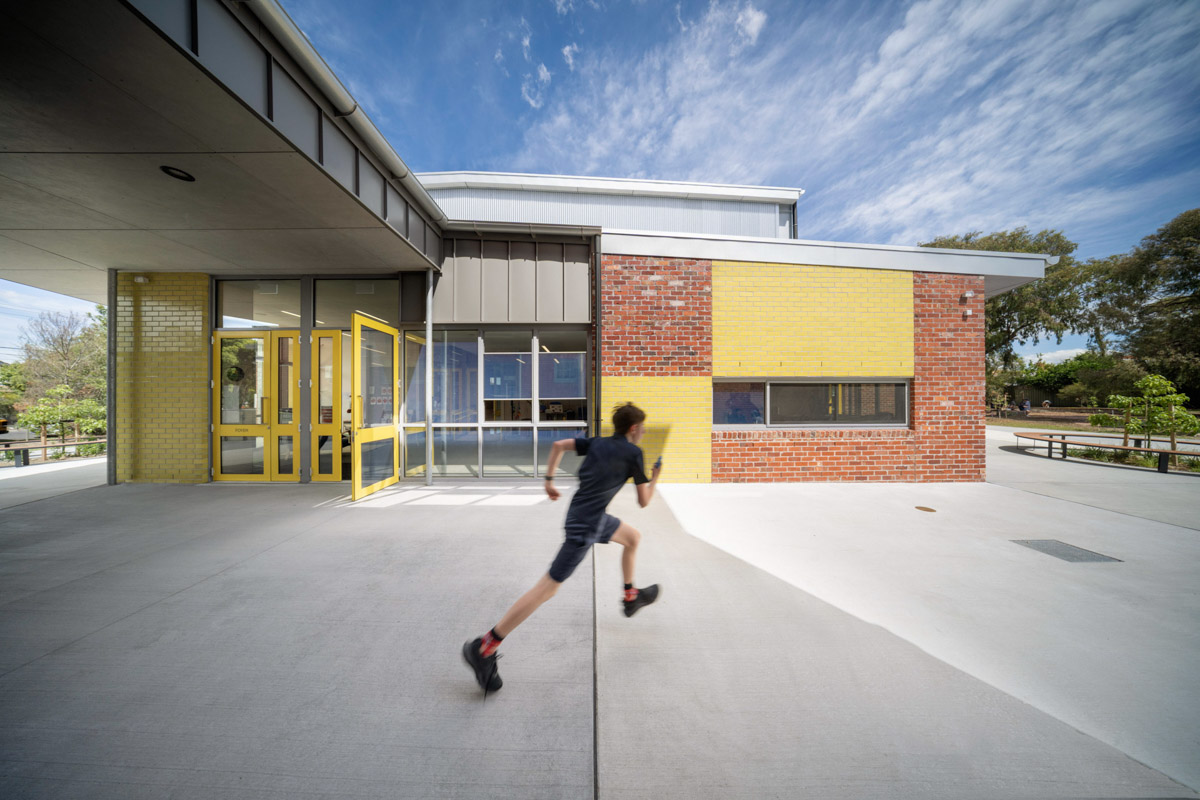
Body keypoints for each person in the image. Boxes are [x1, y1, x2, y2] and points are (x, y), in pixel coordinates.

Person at [462, 402, 663, 696]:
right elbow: (644, 501)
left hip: (588, 517)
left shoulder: (597, 442)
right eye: (642, 427)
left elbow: (558, 444)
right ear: (633, 428)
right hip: (585, 528)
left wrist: (549, 481)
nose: (643, 431)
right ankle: (485, 646)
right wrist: (655, 476)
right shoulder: (634, 453)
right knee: (547, 589)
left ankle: (630, 597)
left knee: (632, 538)